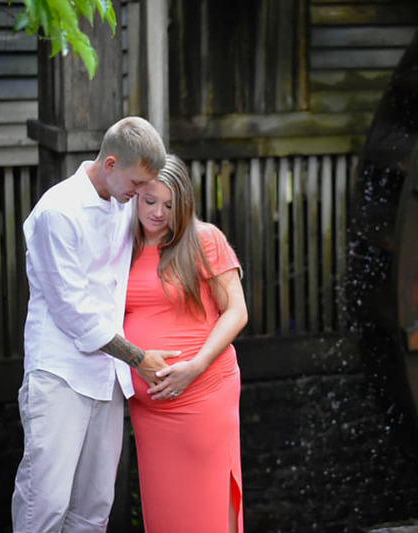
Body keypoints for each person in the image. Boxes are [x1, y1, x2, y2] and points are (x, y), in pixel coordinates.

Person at [11, 116, 181, 532]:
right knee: (44, 502)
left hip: (108, 377)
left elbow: (166, 223)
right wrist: (140, 358)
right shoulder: (58, 211)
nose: (143, 195)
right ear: (109, 164)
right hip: (59, 374)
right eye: (139, 184)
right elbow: (74, 311)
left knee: (94, 509)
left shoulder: (122, 202)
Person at [124, 154, 248, 532]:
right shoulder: (122, 245)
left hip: (204, 394)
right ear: (135, 195)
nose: (159, 213)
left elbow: (237, 312)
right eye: (150, 201)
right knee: (166, 510)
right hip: (150, 411)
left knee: (207, 505)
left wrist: (194, 368)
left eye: (170, 205)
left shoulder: (204, 239)